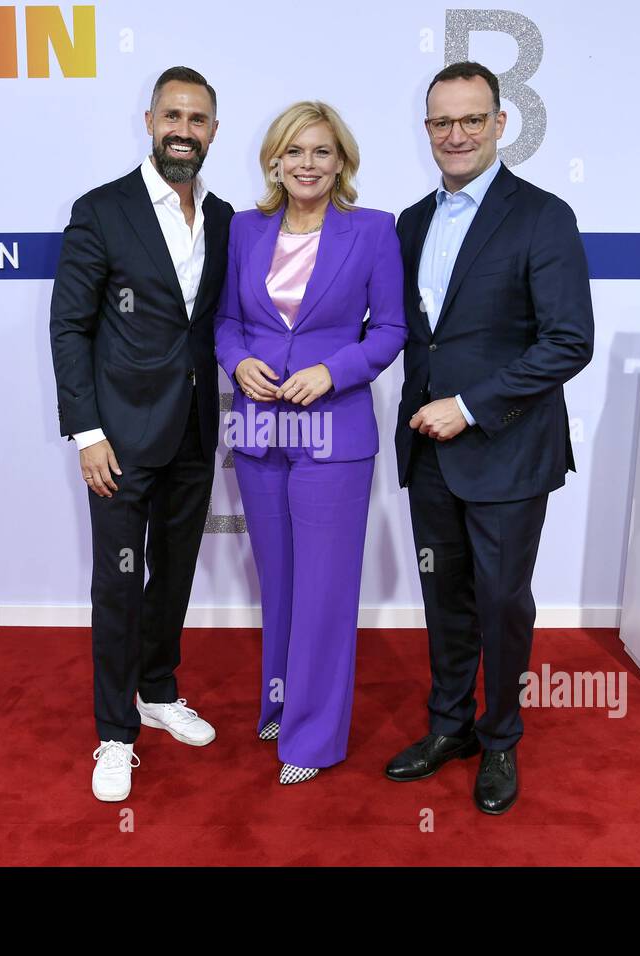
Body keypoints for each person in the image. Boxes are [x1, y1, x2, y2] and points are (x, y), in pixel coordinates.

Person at [386, 62, 594, 814]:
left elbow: (570, 341)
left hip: (505, 448)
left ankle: (500, 738)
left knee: (503, 602)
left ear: (501, 124)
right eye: (442, 122)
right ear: (427, 131)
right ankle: (451, 729)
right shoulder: (408, 222)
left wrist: (469, 405)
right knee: (445, 601)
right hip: (428, 449)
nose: (457, 134)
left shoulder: (544, 217)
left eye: (472, 119)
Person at [49, 66, 235, 802]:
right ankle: (114, 734)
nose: (183, 131)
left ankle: (158, 692)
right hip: (119, 439)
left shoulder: (222, 217)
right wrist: (86, 432)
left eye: (198, 120)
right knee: (119, 585)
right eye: (172, 116)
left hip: (193, 431)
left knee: (175, 574)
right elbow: (70, 327)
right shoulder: (102, 210)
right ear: (150, 121)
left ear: (213, 132)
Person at [215, 101, 406, 785]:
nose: (307, 164)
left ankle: (313, 738)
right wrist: (236, 362)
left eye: (322, 152)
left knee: (325, 588)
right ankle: (280, 697)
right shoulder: (244, 229)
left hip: (335, 429)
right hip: (260, 427)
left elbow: (389, 330)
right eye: (295, 151)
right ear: (274, 159)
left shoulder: (373, 231)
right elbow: (227, 321)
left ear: (341, 162)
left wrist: (333, 370)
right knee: (281, 580)